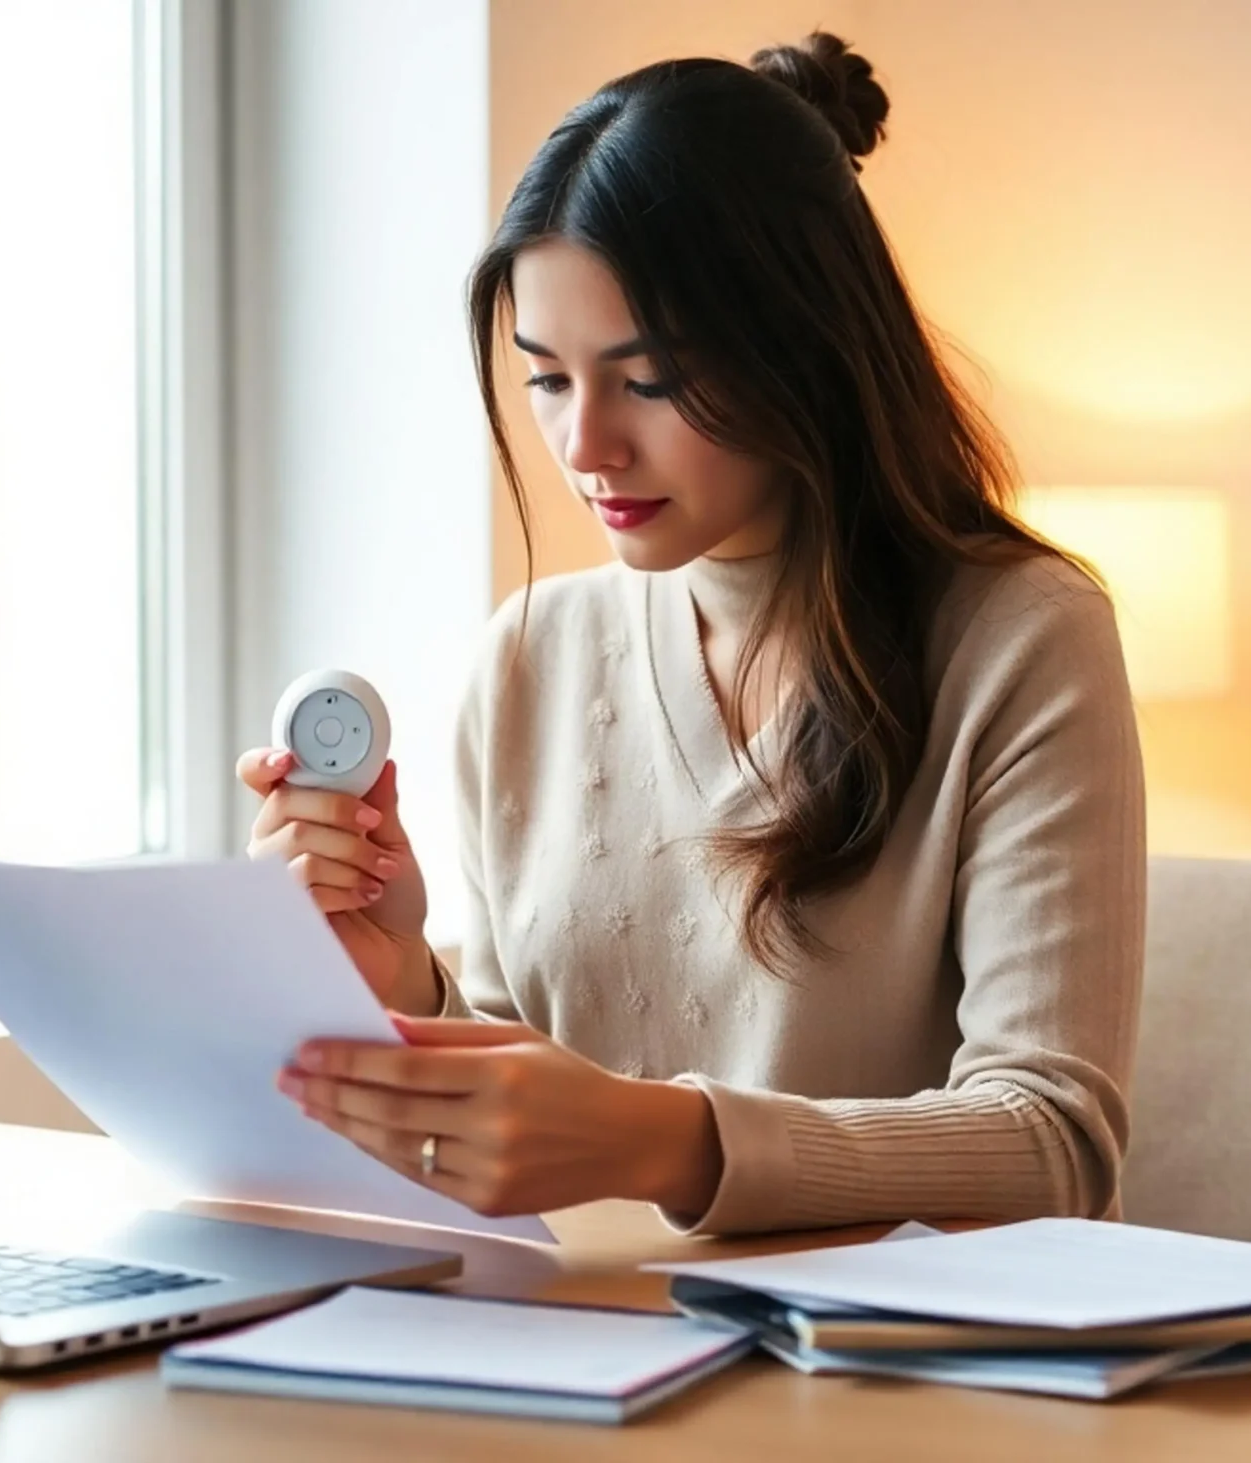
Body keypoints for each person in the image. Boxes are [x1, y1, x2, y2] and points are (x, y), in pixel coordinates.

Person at [238, 32, 1143, 1236]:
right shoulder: (526, 656)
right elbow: (530, 1075)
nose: (585, 447)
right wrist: (398, 975)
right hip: (589, 1355)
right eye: (547, 378)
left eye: (647, 377)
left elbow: (1053, 1144)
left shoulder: (1023, 639)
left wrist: (661, 1138)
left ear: (806, 345)